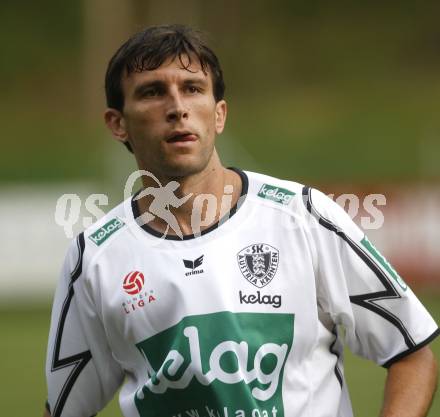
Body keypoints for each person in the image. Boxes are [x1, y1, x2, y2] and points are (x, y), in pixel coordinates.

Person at [44, 24, 438, 417]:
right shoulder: (95, 257)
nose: (178, 107)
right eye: (152, 92)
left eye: (193, 88)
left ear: (219, 115)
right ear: (118, 123)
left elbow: (412, 355)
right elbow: (64, 409)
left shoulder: (303, 217)